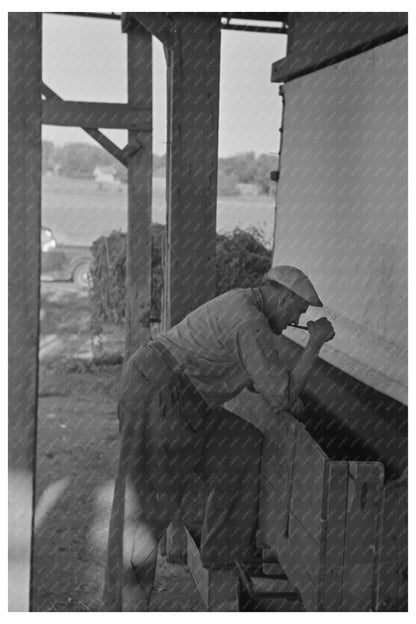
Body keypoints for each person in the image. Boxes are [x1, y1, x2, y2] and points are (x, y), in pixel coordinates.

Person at [103, 265, 335, 611]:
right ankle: (124, 608)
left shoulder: (245, 304)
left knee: (241, 447)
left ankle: (222, 558)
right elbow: (282, 396)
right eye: (297, 311)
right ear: (284, 297)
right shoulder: (249, 323)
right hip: (160, 399)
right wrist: (315, 343)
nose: (294, 320)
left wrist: (282, 388)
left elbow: (259, 377)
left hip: (183, 398)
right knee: (146, 510)